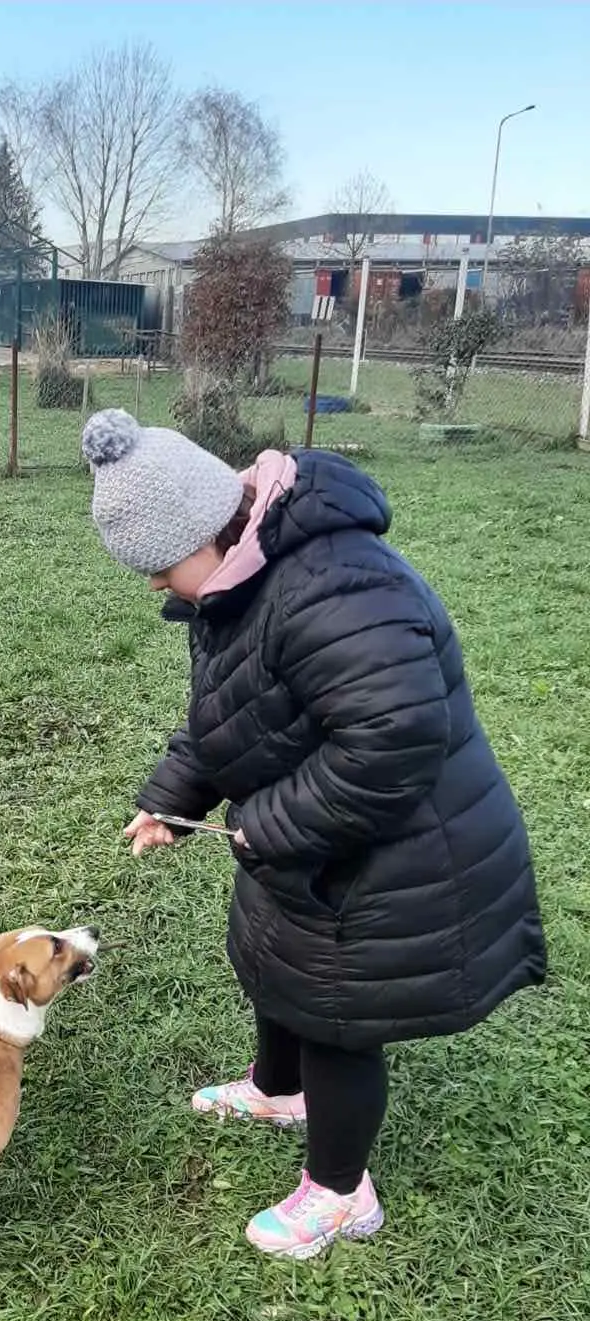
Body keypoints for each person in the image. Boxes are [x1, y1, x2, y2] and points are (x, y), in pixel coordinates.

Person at [82, 408, 546, 1260]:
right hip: (313, 844)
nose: (154, 586)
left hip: (393, 852)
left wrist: (263, 823)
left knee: (338, 1013)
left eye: (158, 567)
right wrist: (174, 794)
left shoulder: (335, 585)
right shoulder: (243, 582)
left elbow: (395, 741)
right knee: (279, 967)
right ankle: (276, 1088)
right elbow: (234, 714)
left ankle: (341, 1193)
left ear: (207, 531)